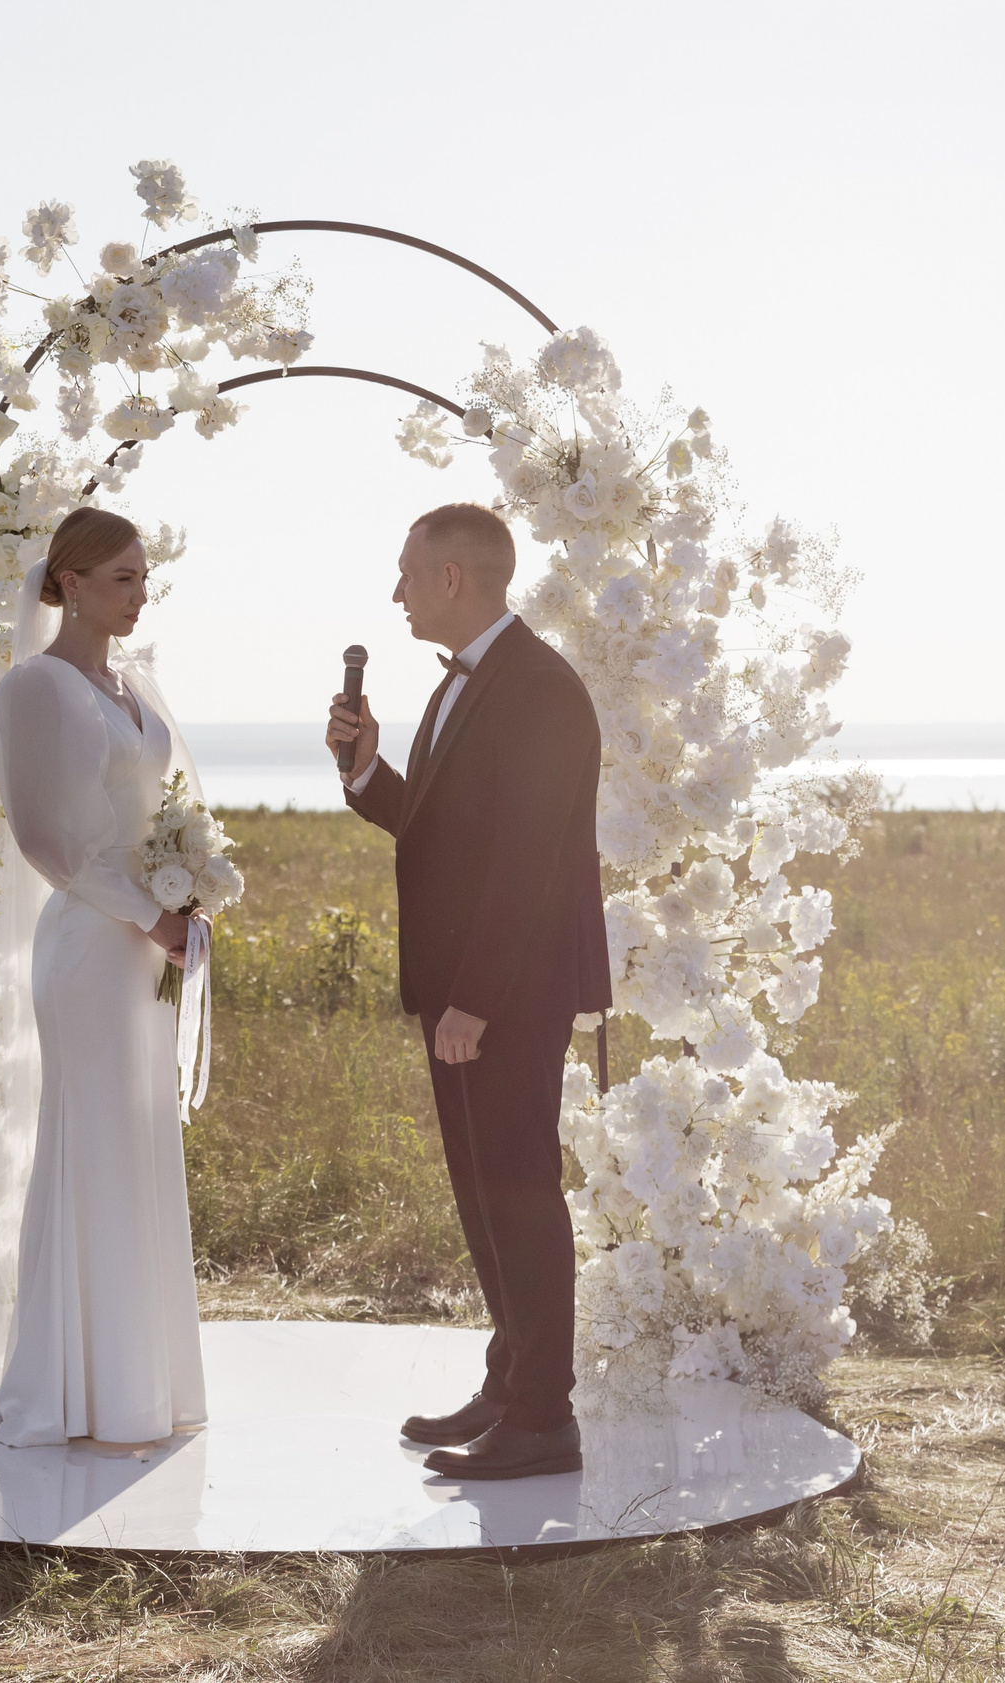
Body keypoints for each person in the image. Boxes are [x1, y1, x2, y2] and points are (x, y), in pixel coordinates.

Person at [326, 502, 611, 1480]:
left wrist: (477, 998)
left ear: (453, 578)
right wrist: (368, 776)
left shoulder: (537, 688)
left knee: (520, 1193)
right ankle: (509, 1384)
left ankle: (544, 1421)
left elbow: (528, 864)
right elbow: (446, 838)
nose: (395, 592)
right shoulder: (464, 686)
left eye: (406, 573)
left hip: (510, 990)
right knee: (485, 1193)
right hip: (467, 986)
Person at [0, 506, 206, 1449]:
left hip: (147, 945)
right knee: (93, 1144)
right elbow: (45, 839)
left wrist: (191, 889)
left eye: (143, 575)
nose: (139, 591)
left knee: (144, 1139)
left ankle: (142, 1387)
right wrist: (151, 911)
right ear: (69, 583)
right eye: (121, 577)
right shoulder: (35, 685)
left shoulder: (136, 681)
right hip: (91, 943)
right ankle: (78, 1389)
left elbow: (167, 804)